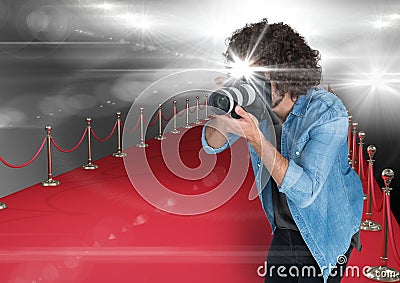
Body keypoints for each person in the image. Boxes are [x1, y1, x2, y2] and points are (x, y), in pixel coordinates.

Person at [201, 19, 364, 282]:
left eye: (258, 78)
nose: (250, 86)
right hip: (286, 228)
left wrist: (256, 139)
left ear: (286, 75)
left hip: (326, 227)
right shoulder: (255, 105)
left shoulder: (326, 111)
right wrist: (225, 111)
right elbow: (211, 144)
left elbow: (307, 192)